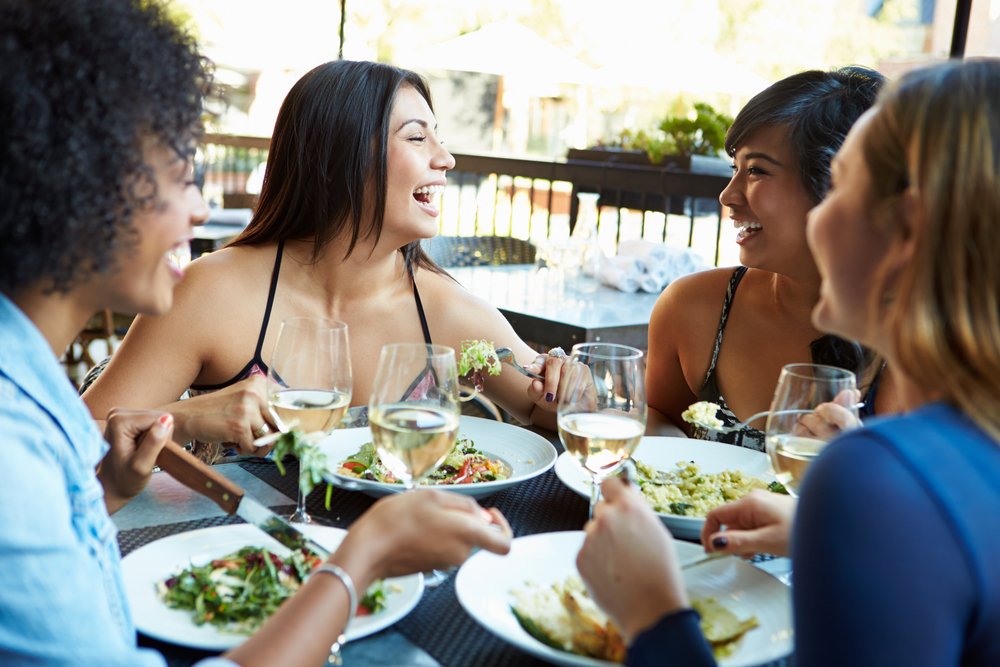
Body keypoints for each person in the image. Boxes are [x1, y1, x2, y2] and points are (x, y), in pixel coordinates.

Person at [0, 2, 511, 665]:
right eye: (182, 170)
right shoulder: (13, 451)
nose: (202, 207)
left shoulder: (30, 409)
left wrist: (107, 490)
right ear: (84, 180)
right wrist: (362, 558)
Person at [578, 58, 1000, 666]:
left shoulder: (879, 475)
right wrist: (826, 534)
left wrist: (652, 612)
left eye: (844, 186)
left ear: (906, 231)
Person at [83, 58, 563, 462]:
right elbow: (71, 443)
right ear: (342, 156)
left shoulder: (446, 311)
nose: (446, 159)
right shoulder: (213, 292)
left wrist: (568, 384)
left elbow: (548, 408)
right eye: (417, 138)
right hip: (239, 560)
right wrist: (184, 420)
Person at [645, 66, 892, 450]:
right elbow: (658, 415)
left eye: (757, 170)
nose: (727, 195)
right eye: (735, 168)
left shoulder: (914, 348)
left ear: (839, 188)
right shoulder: (692, 309)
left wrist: (860, 468)